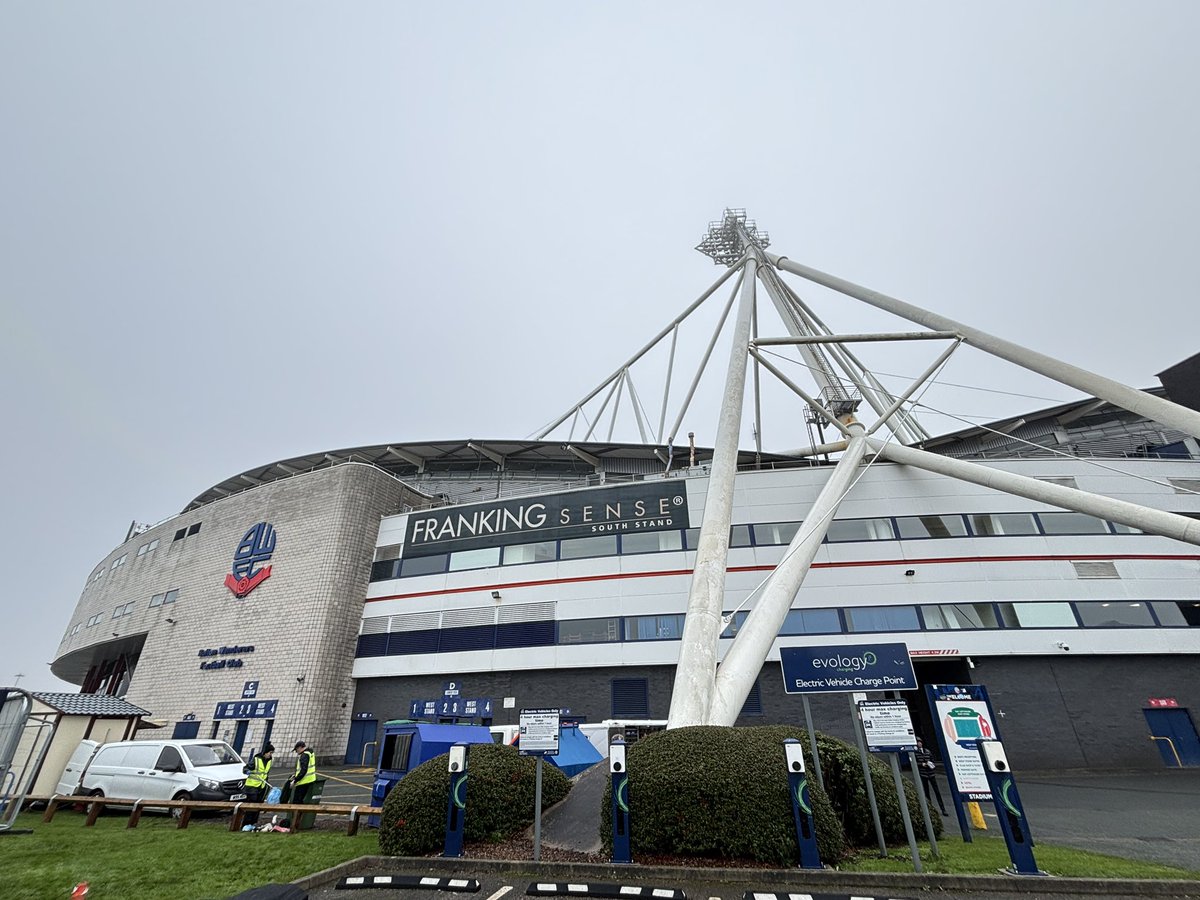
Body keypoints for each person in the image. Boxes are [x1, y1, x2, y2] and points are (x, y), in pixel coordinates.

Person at [242, 742, 274, 826]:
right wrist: (247, 771)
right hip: (252, 786)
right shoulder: (256, 759)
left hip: (261, 786)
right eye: (270, 753)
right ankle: (246, 824)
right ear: (265, 752)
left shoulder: (269, 761)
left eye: (272, 753)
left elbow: (265, 773)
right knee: (251, 806)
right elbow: (245, 769)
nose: (271, 755)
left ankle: (253, 824)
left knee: (258, 805)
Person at [915, 736, 948, 815]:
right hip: (923, 774)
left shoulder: (927, 751)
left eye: (920, 742)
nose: (919, 744)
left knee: (937, 791)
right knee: (927, 792)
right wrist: (921, 764)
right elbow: (914, 763)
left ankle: (943, 809)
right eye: (918, 742)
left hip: (931, 773)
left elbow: (932, 760)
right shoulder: (915, 753)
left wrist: (931, 764)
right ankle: (930, 809)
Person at [288, 740, 318, 805]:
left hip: (303, 782)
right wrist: (295, 775)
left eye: (296, 750)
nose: (296, 752)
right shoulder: (310, 752)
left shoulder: (304, 755)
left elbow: (303, 770)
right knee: (302, 801)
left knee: (297, 802)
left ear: (300, 748)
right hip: (310, 780)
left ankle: (298, 812)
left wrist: (295, 780)